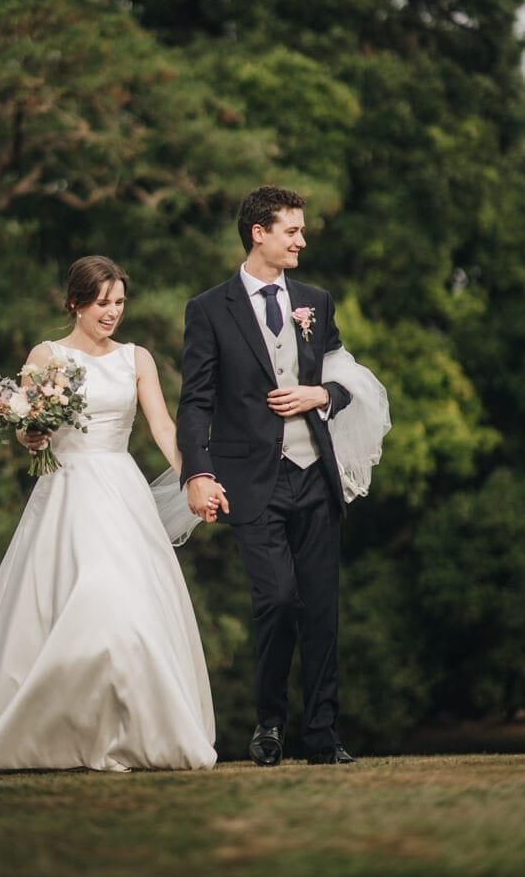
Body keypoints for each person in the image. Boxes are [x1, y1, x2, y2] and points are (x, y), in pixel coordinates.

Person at [0, 255, 216, 775]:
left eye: (119, 302)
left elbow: (163, 427)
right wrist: (30, 436)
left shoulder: (136, 358)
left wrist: (195, 476)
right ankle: (56, 731)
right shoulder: (47, 355)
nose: (112, 312)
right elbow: (30, 431)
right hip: (67, 491)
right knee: (75, 601)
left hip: (121, 491)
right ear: (75, 303)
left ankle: (126, 731)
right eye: (102, 302)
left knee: (126, 607)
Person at [177, 185, 389, 767]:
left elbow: (349, 378)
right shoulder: (208, 309)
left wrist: (322, 394)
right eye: (291, 231)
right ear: (259, 234)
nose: (301, 241)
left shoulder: (316, 302)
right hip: (251, 481)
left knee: (321, 608)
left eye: (300, 231)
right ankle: (270, 722)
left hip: (314, 474)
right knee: (276, 599)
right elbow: (195, 402)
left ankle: (322, 734)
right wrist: (197, 472)